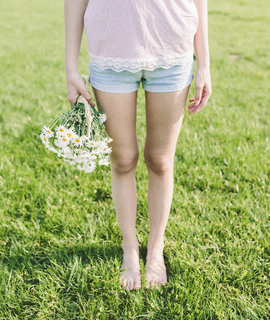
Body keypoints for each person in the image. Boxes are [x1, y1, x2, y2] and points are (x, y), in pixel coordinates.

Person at [64, 0, 211, 290]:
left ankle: (156, 248)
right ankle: (129, 247)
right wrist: (70, 67)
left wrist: (204, 64)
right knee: (123, 159)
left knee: (160, 160)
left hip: (172, 48)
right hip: (111, 50)